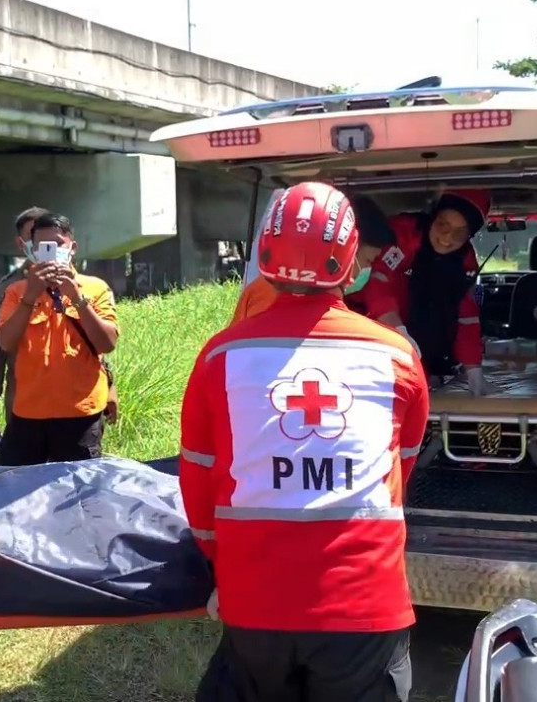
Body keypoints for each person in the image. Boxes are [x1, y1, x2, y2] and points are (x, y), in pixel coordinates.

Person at [181, 181, 428, 702]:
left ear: (266, 252)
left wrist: (217, 564)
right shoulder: (399, 357)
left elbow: (199, 480)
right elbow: (400, 466)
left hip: (254, 604)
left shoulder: (218, 358)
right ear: (348, 255)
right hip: (365, 605)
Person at [0, 206, 119, 455]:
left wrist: (77, 298)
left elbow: (103, 345)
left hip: (81, 412)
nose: (52, 251)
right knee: (23, 485)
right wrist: (30, 296)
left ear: (72, 247)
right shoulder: (13, 291)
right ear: (30, 248)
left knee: (78, 487)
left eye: (58, 243)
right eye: (42, 245)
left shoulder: (94, 288)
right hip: (27, 411)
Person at [362, 189, 490, 393]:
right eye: (442, 225)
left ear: (469, 236)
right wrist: (398, 331)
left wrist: (474, 370)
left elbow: (467, 316)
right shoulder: (403, 233)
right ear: (432, 218)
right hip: (377, 330)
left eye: (459, 233)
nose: (447, 239)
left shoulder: (465, 262)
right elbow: (378, 281)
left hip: (424, 343)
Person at [228, 193, 397, 326]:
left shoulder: (283, 286)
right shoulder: (274, 293)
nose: (365, 270)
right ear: (348, 249)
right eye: (367, 261)